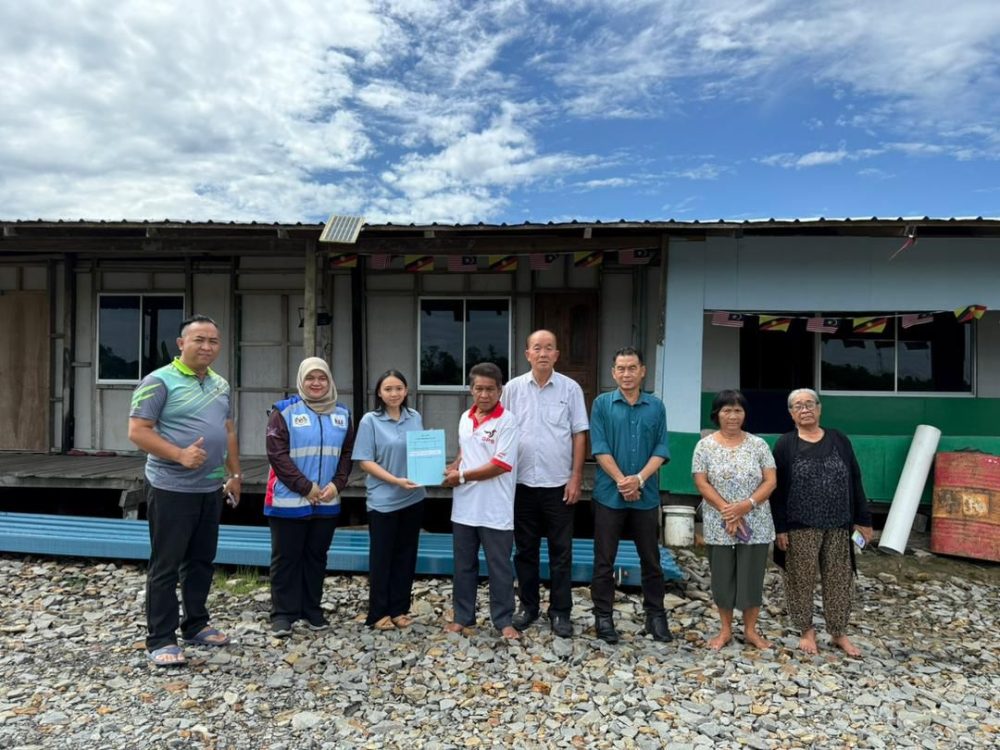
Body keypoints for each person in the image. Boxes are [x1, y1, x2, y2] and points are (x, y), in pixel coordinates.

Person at [128, 314, 241, 668]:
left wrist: (235, 473)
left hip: (210, 486)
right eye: (199, 340)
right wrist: (179, 454)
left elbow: (227, 429)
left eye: (213, 341)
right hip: (171, 487)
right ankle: (161, 638)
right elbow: (137, 430)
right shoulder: (158, 381)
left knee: (201, 560)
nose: (207, 346)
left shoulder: (220, 384)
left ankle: (196, 624)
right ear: (181, 343)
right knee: (166, 564)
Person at [771, 388, 873, 657]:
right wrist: (780, 527)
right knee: (800, 579)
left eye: (809, 404)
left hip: (839, 524)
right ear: (791, 413)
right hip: (799, 525)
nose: (805, 409)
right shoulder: (785, 444)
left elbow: (855, 479)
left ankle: (838, 632)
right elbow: (776, 490)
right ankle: (806, 630)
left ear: (819, 408)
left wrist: (863, 520)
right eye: (798, 406)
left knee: (839, 579)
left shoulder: (839, 439)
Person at [501, 330, 588, 638]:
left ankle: (560, 611)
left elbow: (579, 433)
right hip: (521, 483)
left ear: (556, 354)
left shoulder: (570, 389)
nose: (542, 353)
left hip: (559, 484)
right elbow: (498, 429)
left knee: (561, 551)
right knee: (525, 550)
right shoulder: (512, 390)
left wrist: (575, 476)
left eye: (548, 348)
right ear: (527, 354)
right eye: (537, 348)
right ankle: (528, 607)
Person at [264, 357, 354, 637]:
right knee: (286, 558)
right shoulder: (283, 412)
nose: (316, 383)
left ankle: (311, 609)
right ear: (301, 381)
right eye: (310, 378)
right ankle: (283, 614)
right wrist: (305, 487)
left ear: (330, 381)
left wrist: (337, 484)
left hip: (327, 500)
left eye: (322, 378)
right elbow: (277, 455)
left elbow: (347, 454)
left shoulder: (343, 414)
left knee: (316, 557)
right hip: (288, 500)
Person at [589, 346, 671, 644]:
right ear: (613, 373)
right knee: (604, 560)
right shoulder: (602, 404)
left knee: (651, 559)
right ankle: (603, 617)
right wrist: (623, 481)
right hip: (608, 495)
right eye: (621, 368)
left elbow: (661, 448)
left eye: (632, 368)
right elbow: (599, 447)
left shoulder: (656, 407)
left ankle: (655, 615)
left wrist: (639, 479)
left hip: (645, 496)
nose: (626, 374)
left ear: (642, 371)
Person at [692, 390, 777, 651]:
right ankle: (725, 630)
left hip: (755, 520)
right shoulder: (705, 446)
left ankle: (750, 631)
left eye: (738, 410)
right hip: (719, 522)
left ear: (745, 414)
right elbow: (701, 482)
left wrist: (744, 506)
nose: (732, 416)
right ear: (717, 414)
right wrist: (728, 511)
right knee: (722, 577)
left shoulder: (758, 445)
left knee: (751, 577)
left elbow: (770, 481)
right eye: (726, 410)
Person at [442, 362, 520, 640]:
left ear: (500, 390)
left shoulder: (507, 421)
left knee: (500, 567)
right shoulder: (466, 417)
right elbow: (465, 450)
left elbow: (500, 465)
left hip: (495, 508)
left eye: (490, 389)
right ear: (471, 389)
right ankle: (462, 617)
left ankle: (503, 620)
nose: (484, 394)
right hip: (464, 507)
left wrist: (461, 476)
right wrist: (454, 466)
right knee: (463, 565)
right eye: (479, 389)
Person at [354, 370, 427, 630]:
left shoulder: (414, 417)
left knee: (406, 556)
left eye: (398, 388)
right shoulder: (370, 421)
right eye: (388, 389)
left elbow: (422, 453)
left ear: (406, 391)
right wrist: (395, 480)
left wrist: (433, 469)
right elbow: (364, 461)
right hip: (383, 500)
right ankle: (378, 613)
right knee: (382, 558)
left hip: (414, 497)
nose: (394, 393)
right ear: (379, 393)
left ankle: (399, 609)